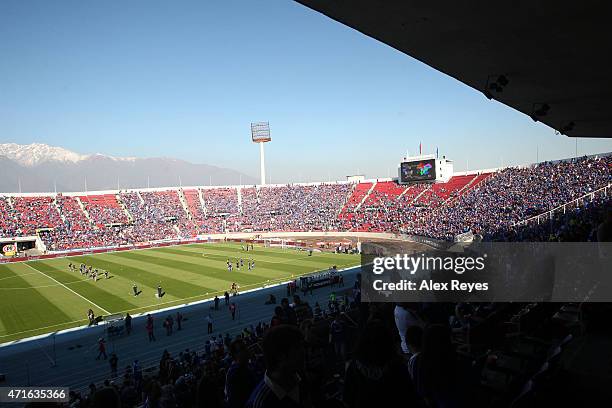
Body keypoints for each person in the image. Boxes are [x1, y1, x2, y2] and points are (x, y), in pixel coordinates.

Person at [246, 325, 308, 408]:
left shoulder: (299, 376)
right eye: (297, 348)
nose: (303, 352)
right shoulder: (261, 404)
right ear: (280, 356)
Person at [225, 339, 257, 408]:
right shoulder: (235, 372)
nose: (246, 349)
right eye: (242, 348)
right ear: (235, 354)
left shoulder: (244, 367)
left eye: (245, 346)